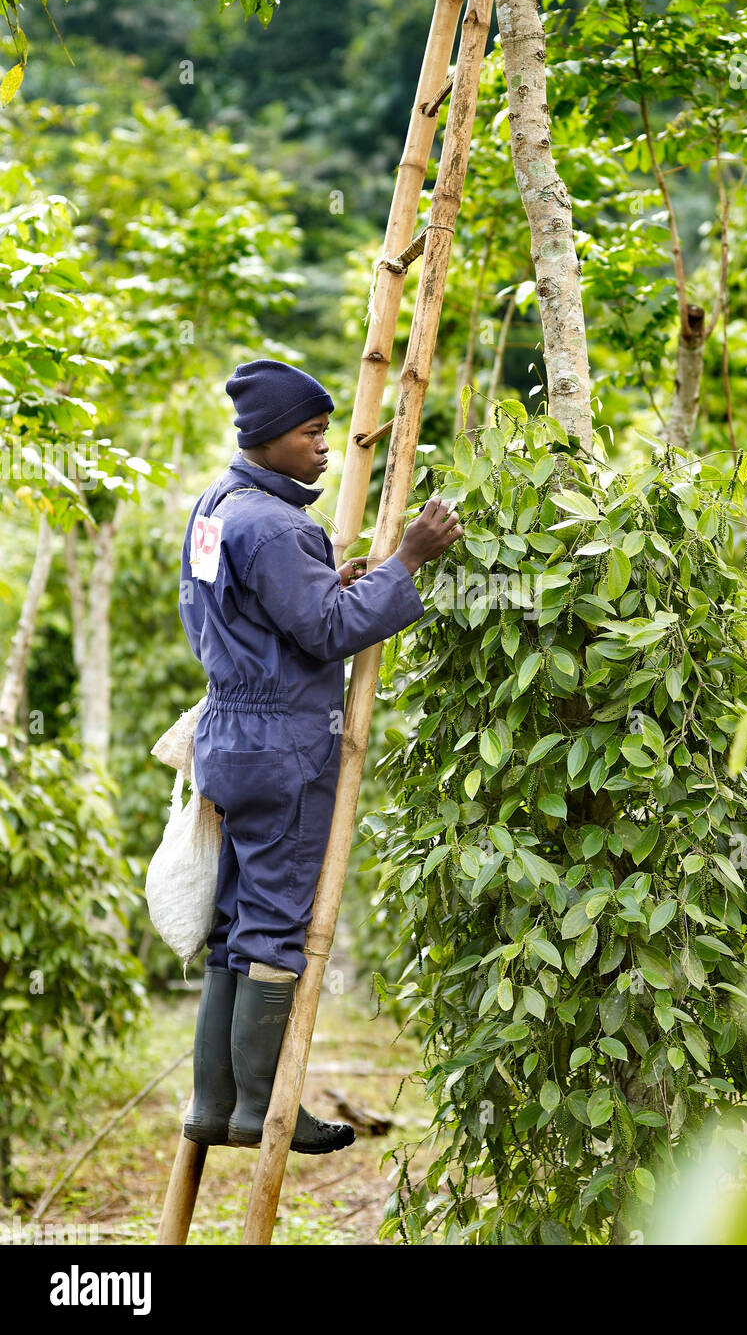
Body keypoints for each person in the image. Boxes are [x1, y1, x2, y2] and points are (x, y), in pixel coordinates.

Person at [177, 358, 462, 1154]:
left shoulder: (215, 508)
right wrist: (408, 560)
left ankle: (213, 1104)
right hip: (283, 748)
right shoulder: (276, 525)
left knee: (234, 922)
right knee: (274, 926)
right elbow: (328, 631)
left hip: (229, 736)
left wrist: (320, 582)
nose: (324, 446)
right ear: (270, 438)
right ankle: (263, 1109)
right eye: (310, 433)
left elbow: (241, 610)